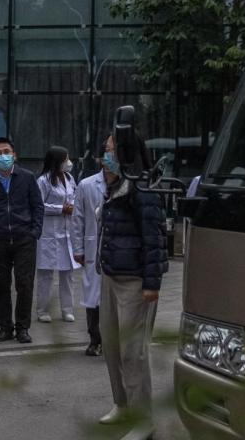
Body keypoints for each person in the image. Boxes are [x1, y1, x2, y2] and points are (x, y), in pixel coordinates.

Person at [93, 134, 168, 440]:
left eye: (112, 151)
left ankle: (143, 419)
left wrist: (152, 284)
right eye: (106, 150)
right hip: (111, 276)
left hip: (135, 282)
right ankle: (122, 404)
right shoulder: (112, 187)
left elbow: (155, 240)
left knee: (132, 352)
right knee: (111, 346)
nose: (106, 156)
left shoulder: (142, 188)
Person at [0, 137, 44, 344]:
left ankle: (22, 328)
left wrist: (35, 232)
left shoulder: (27, 177)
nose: (3, 156)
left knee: (24, 284)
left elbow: (37, 206)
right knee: (2, 284)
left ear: (14, 155)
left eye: (6, 152)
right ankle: (5, 327)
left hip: (25, 239)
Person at [35, 146, 80, 324]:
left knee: (67, 274)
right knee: (46, 275)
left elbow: (75, 196)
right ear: (57, 161)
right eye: (65, 159)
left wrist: (73, 206)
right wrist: (60, 209)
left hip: (67, 233)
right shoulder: (43, 181)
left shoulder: (69, 178)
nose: (69, 162)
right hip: (49, 234)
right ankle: (43, 310)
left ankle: (67, 309)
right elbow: (38, 206)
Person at [71, 148, 108, 357]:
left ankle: (112, 340)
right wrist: (78, 248)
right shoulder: (86, 185)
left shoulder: (127, 184)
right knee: (93, 296)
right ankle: (95, 339)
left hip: (117, 251)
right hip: (93, 248)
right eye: (107, 153)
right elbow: (77, 220)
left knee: (114, 298)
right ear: (99, 158)